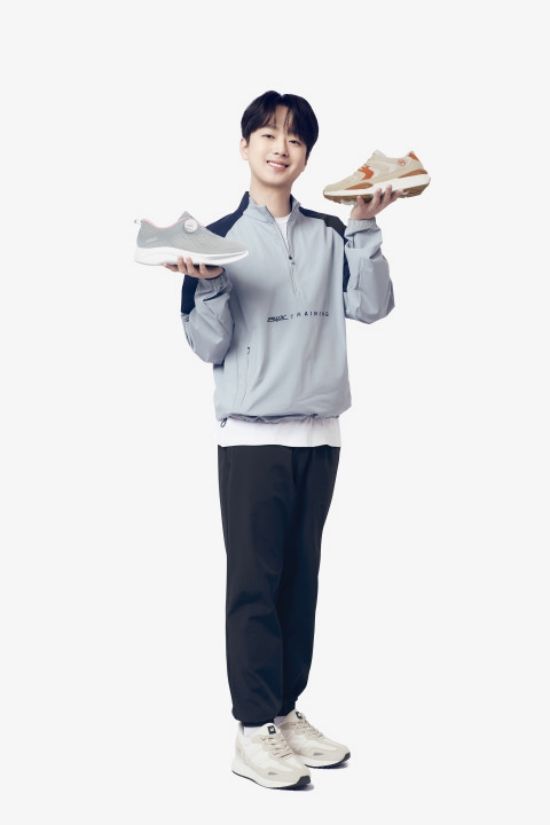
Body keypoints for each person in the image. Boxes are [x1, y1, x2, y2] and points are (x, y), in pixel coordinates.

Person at [165, 90, 403, 789]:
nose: (280, 147)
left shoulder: (332, 232)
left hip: (320, 434)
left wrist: (365, 225)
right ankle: (251, 729)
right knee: (254, 587)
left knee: (300, 584)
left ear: (306, 156)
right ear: (244, 146)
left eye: (295, 138)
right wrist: (210, 285)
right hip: (252, 440)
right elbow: (209, 346)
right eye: (267, 134)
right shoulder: (213, 240)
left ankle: (284, 710)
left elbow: (372, 306)